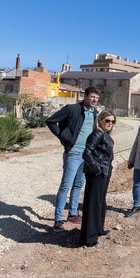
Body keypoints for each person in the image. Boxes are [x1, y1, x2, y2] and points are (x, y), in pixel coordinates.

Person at [46, 86, 100, 232]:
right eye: (92, 97)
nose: (94, 100)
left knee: (78, 185)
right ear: (86, 96)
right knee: (66, 185)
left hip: (86, 155)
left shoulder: (95, 113)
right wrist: (64, 137)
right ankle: (58, 220)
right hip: (73, 154)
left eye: (96, 98)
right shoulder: (72, 109)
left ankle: (73, 214)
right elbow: (51, 121)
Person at [79, 111, 115, 248]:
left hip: (104, 172)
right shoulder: (97, 134)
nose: (110, 124)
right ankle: (89, 238)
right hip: (97, 174)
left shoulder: (104, 134)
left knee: (100, 202)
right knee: (93, 205)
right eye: (107, 121)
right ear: (99, 120)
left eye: (112, 122)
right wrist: (97, 169)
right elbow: (86, 154)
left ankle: (98, 229)